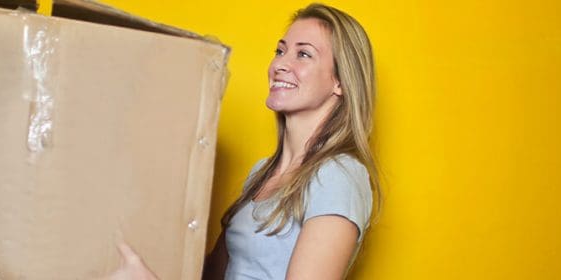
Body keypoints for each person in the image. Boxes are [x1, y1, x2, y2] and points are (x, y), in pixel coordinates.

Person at [110, 3, 379, 280]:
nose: (280, 65)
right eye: (280, 51)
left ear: (341, 82)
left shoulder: (338, 176)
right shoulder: (260, 174)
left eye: (303, 54)